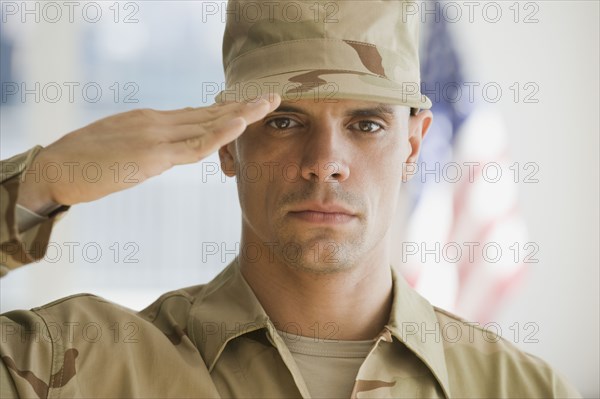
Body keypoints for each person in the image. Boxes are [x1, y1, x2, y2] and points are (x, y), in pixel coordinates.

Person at [0, 1, 580, 398]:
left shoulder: (518, 387)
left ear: (413, 144)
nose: (325, 159)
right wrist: (42, 180)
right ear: (228, 143)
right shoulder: (77, 363)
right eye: (283, 120)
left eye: (367, 124)